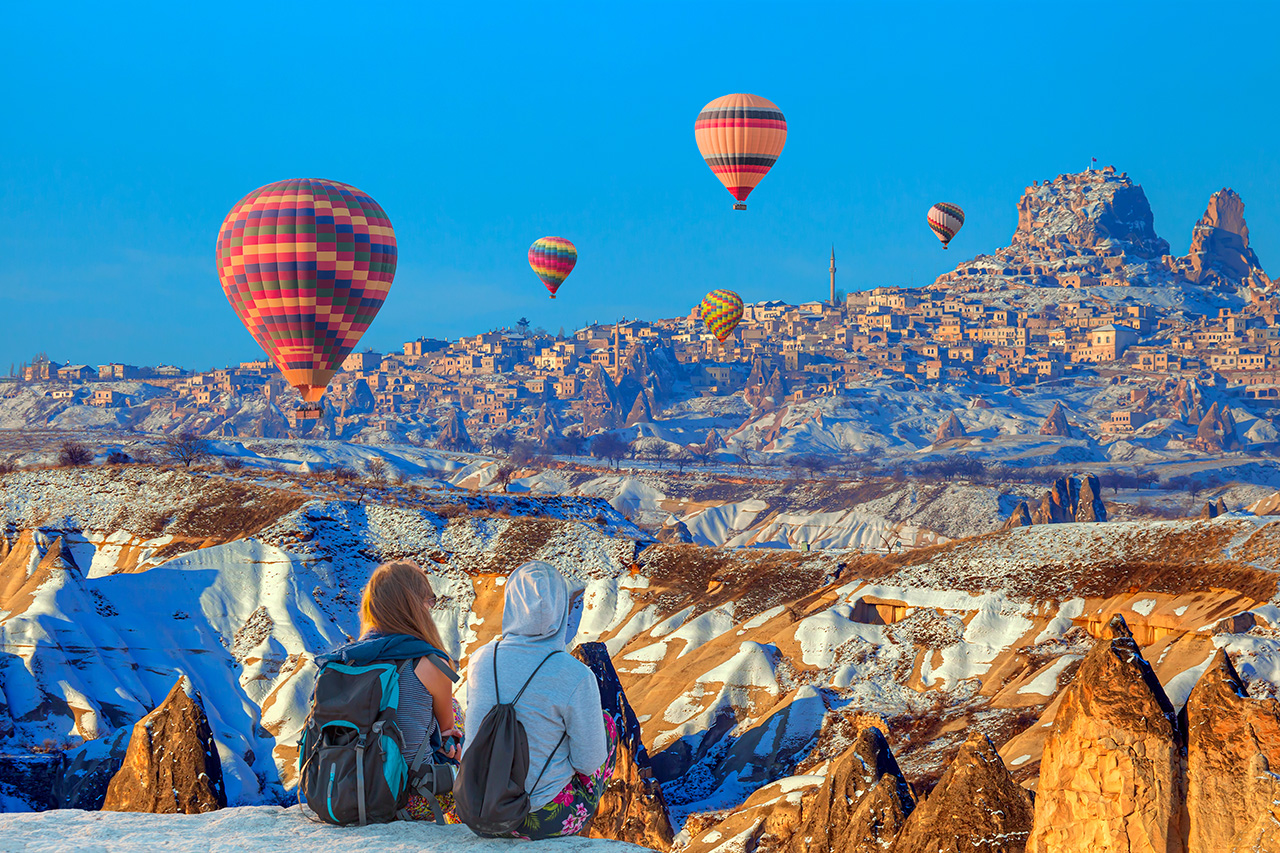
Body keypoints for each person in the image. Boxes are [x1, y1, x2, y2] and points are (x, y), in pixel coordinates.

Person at [463, 561, 622, 839]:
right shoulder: (575, 675)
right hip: (538, 819)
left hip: (477, 806)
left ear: (511, 603)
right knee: (607, 724)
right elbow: (589, 762)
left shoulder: (480, 659)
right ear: (561, 609)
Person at [355, 560, 465, 822]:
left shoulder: (346, 661)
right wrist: (450, 744)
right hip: (410, 797)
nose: (431, 608)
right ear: (415, 605)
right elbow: (448, 731)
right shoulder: (431, 663)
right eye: (429, 600)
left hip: (345, 791)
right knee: (456, 713)